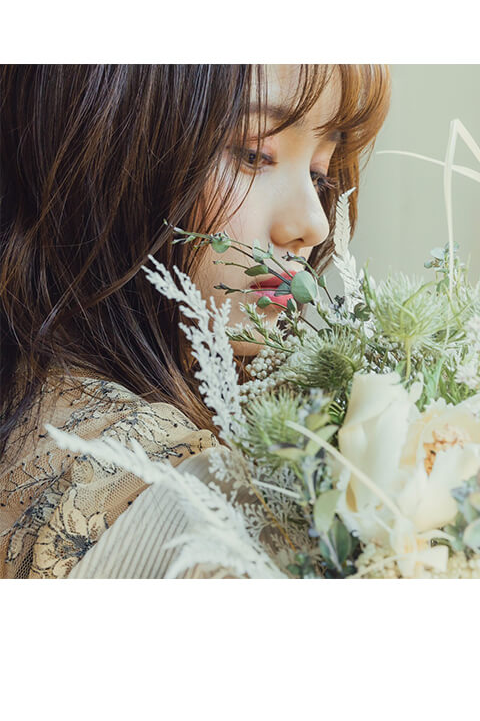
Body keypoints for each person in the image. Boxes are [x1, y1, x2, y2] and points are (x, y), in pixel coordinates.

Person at [0, 64, 391, 578]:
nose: (314, 224)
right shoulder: (173, 491)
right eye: (254, 155)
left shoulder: (38, 402)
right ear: (113, 147)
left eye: (318, 173)